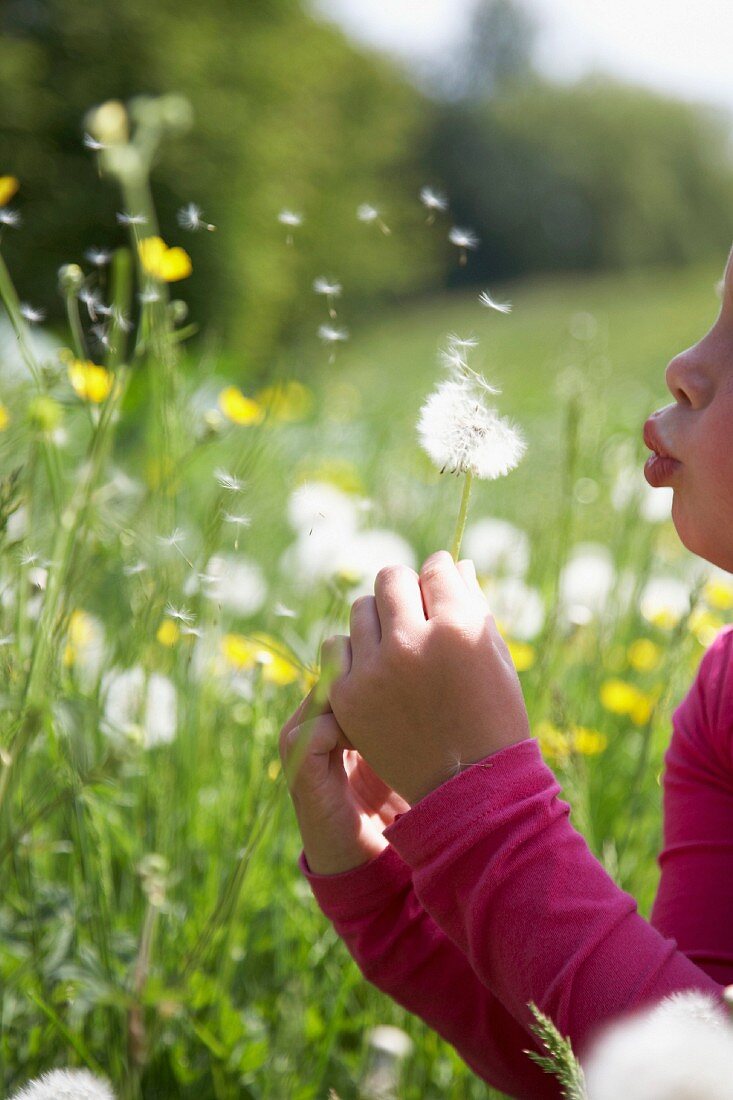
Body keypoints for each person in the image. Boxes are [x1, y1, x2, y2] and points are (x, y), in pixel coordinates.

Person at [279, 244, 733, 1099]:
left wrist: (482, 802)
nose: (683, 367)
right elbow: (658, 1069)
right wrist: (394, 897)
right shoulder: (722, 690)